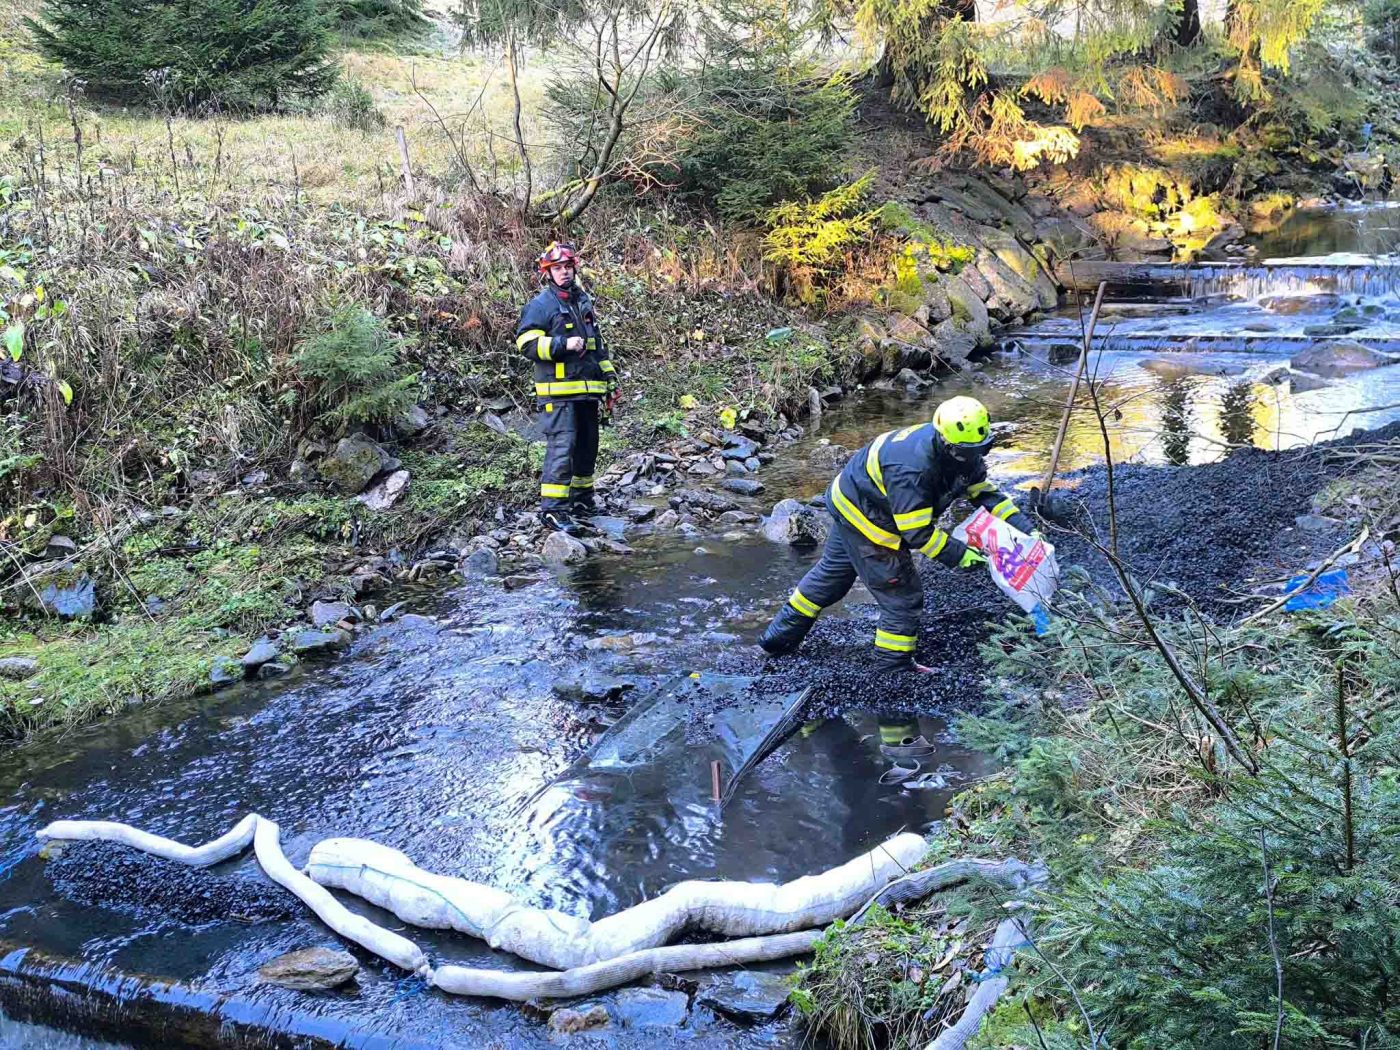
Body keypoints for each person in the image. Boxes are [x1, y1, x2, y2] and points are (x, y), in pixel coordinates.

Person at [758, 396, 1037, 673]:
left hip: (852, 500)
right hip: (866, 516)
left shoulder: (965, 452)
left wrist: (1027, 530)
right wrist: (960, 555)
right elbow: (917, 534)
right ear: (946, 443)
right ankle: (893, 667)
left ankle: (778, 639)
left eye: (982, 449)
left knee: (833, 577)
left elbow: (986, 494)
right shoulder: (911, 471)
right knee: (902, 596)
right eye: (966, 452)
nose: (974, 458)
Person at [515, 242, 619, 533]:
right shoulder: (541, 305)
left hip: (587, 392)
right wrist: (562, 344)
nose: (564, 273)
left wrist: (610, 381)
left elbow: (598, 347)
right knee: (563, 447)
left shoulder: (581, 301)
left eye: (567, 267)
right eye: (557, 268)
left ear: (574, 269)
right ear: (548, 273)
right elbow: (526, 343)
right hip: (558, 394)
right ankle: (553, 510)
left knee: (588, 447)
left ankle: (582, 499)